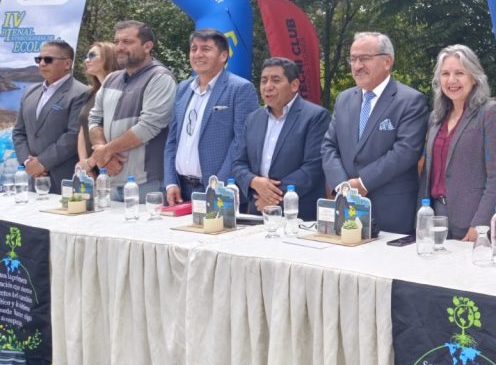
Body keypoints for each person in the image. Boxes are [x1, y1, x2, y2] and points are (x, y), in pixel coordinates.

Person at [322, 31, 429, 235]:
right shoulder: (343, 99)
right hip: (346, 208)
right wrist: (343, 186)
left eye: (365, 58)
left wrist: (363, 183)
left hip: (391, 212)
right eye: (353, 59)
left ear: (387, 61)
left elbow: (406, 151)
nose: (357, 65)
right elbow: (328, 146)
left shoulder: (410, 101)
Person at [418, 45, 496, 240]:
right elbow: (428, 172)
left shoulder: (490, 113)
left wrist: (481, 223)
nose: (451, 80)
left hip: (472, 221)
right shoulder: (435, 117)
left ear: (474, 77)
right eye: (445, 74)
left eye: (459, 73)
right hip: (436, 220)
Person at [163, 29, 259, 205]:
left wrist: (218, 186)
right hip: (181, 191)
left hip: (219, 191)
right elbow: (172, 140)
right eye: (194, 49)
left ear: (223, 56)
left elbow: (242, 142)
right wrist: (170, 182)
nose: (198, 54)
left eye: (205, 49)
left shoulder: (240, 89)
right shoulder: (183, 89)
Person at [87, 20, 176, 199]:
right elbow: (94, 118)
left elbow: (148, 127)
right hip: (110, 180)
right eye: (117, 41)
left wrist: (105, 152)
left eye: (127, 42)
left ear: (147, 46)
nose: (119, 47)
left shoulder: (160, 78)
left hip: (146, 185)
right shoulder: (112, 78)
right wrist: (103, 151)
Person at [233, 58, 331, 220]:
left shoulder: (315, 117)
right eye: (264, 81)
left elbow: (313, 167)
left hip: (298, 213)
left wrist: (272, 198)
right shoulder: (253, 119)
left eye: (276, 80)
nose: (268, 86)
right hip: (257, 209)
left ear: (294, 85)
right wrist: (254, 182)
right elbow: (238, 163)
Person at [12, 40, 90, 192]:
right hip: (32, 179)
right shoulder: (29, 92)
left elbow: (73, 135)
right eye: (38, 59)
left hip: (64, 180)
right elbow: (18, 132)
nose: (41, 63)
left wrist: (42, 163)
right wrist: (28, 162)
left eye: (48, 59)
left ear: (67, 64)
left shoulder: (82, 93)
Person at [76, 41, 118, 177]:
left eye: (92, 55)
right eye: (86, 56)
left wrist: (91, 162)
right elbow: (83, 129)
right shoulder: (90, 94)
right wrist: (84, 164)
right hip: (89, 171)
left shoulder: (120, 93)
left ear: (109, 58)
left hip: (112, 167)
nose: (86, 60)